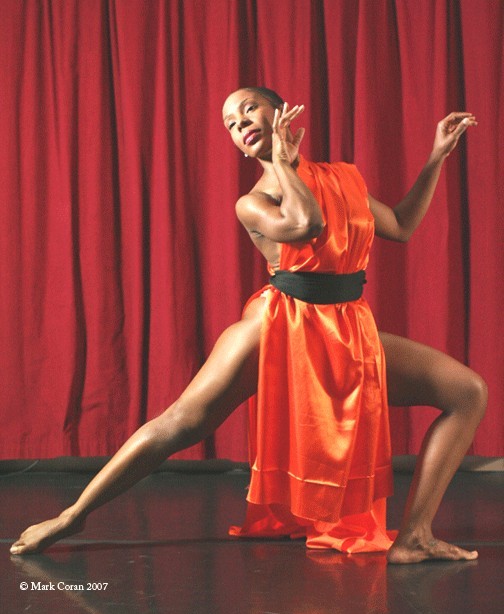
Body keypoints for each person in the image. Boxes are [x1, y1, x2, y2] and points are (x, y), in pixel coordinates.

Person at [10, 87, 487, 562]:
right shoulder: (253, 202)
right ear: (240, 146)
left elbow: (401, 225)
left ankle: (415, 536)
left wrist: (436, 158)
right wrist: (283, 163)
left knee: (468, 392)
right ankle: (71, 515)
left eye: (248, 110)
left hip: (345, 327)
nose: (240, 124)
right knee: (181, 423)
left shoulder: (342, 178)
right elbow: (308, 226)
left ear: (281, 113)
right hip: (278, 328)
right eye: (232, 125)